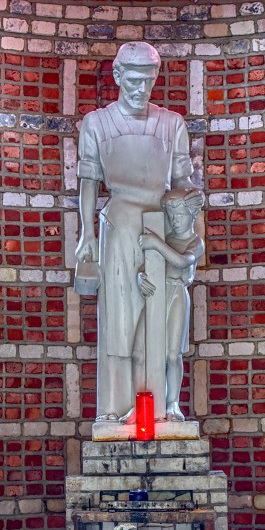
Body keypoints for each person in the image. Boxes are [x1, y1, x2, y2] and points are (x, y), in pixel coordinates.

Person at [75, 41, 194, 421]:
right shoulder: (96, 123)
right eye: (134, 81)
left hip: (160, 226)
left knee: (158, 323)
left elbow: (184, 184)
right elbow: (89, 184)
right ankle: (115, 408)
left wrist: (187, 239)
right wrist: (86, 235)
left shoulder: (172, 124)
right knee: (120, 321)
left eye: (149, 80)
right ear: (117, 76)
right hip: (120, 226)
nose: (142, 89)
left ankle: (159, 409)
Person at [137, 188, 204, 420]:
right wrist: (140, 277)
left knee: (172, 354)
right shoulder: (166, 237)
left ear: (192, 215)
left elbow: (182, 261)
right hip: (157, 293)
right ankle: (147, 401)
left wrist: (155, 243)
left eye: (181, 216)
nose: (175, 221)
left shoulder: (195, 242)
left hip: (176, 294)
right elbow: (148, 266)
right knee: (145, 350)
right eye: (172, 216)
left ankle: (172, 402)